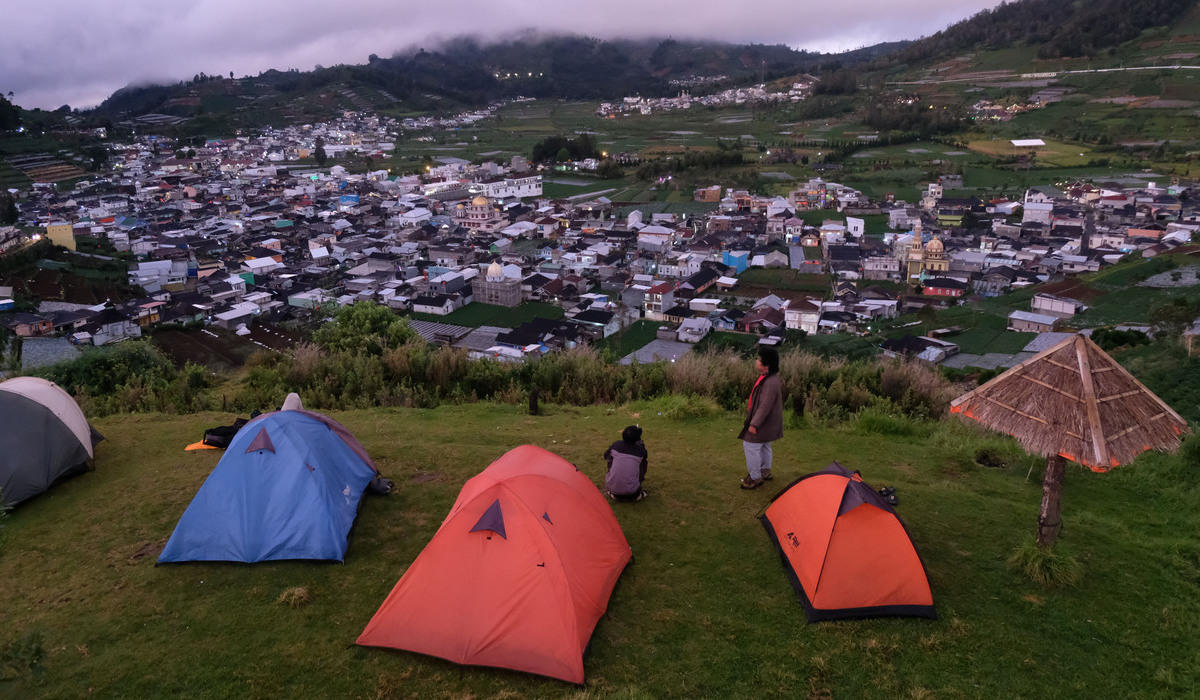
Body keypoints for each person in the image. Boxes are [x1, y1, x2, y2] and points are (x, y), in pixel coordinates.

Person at [738, 346, 783, 490]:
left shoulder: (769, 382)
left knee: (750, 445)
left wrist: (754, 424)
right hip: (769, 423)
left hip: (763, 422)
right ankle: (765, 471)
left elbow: (765, 406)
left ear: (766, 364)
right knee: (764, 445)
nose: (756, 361)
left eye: (759, 359)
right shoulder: (769, 378)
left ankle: (755, 477)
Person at [604, 425, 649, 502]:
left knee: (611, 459)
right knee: (643, 463)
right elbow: (645, 456)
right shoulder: (640, 450)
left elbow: (606, 456)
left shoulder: (616, 445)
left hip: (612, 489)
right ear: (637, 439)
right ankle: (637, 494)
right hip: (633, 492)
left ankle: (615, 487)